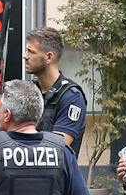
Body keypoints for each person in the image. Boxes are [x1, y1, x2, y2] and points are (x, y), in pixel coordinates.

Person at [25, 26, 88, 155]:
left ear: (49, 57)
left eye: (31, 52)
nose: (25, 56)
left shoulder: (71, 97)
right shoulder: (29, 91)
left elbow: (55, 148)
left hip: (55, 174)